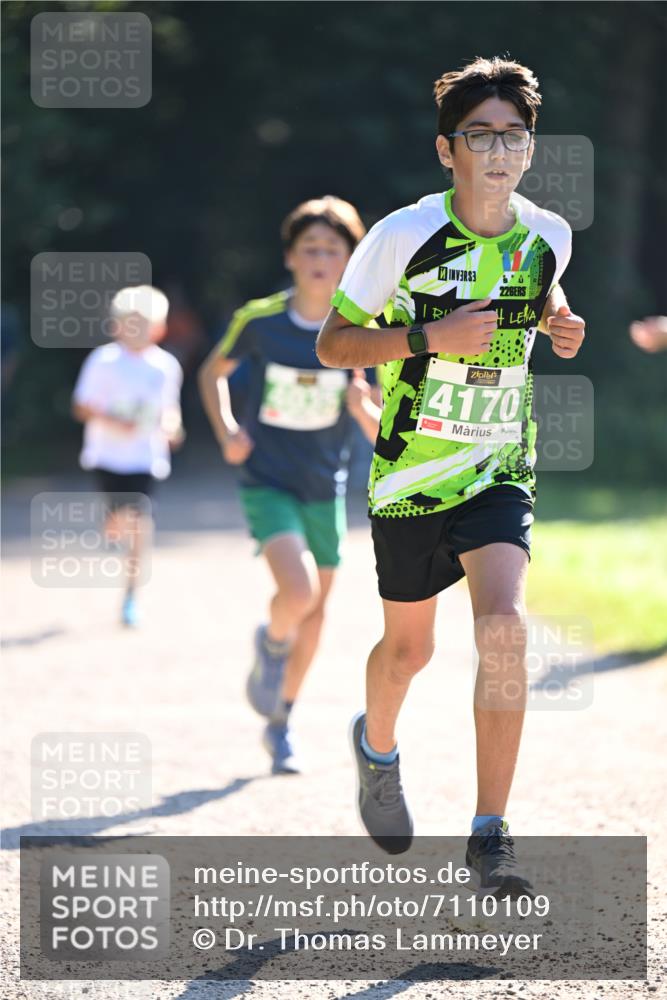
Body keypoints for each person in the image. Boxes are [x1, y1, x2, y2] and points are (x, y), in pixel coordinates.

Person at [317, 57, 586, 894]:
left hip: (499, 464)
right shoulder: (400, 236)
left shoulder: (549, 234)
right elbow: (333, 344)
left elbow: (539, 292)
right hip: (409, 475)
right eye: (481, 137)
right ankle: (377, 749)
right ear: (447, 150)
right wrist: (428, 338)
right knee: (408, 651)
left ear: (529, 148)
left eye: (513, 136)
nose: (499, 152)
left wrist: (560, 322)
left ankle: (488, 835)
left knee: (503, 630)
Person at [199, 196, 381, 775]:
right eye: (310, 248)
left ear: (350, 259)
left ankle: (281, 720)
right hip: (268, 480)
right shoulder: (261, 320)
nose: (320, 259)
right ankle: (273, 642)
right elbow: (212, 373)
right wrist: (228, 430)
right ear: (290, 257)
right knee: (297, 593)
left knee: (318, 612)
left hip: (324, 485)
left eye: (332, 249)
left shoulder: (366, 330)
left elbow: (382, 426)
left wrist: (362, 408)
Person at [72, 285, 184, 626]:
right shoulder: (103, 361)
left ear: (159, 328)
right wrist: (113, 419)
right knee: (118, 520)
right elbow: (81, 407)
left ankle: (131, 596)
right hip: (106, 457)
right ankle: (112, 523)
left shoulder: (165, 366)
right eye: (129, 322)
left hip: (145, 458)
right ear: (116, 325)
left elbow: (170, 409)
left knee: (140, 521)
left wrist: (172, 427)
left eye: (144, 323)